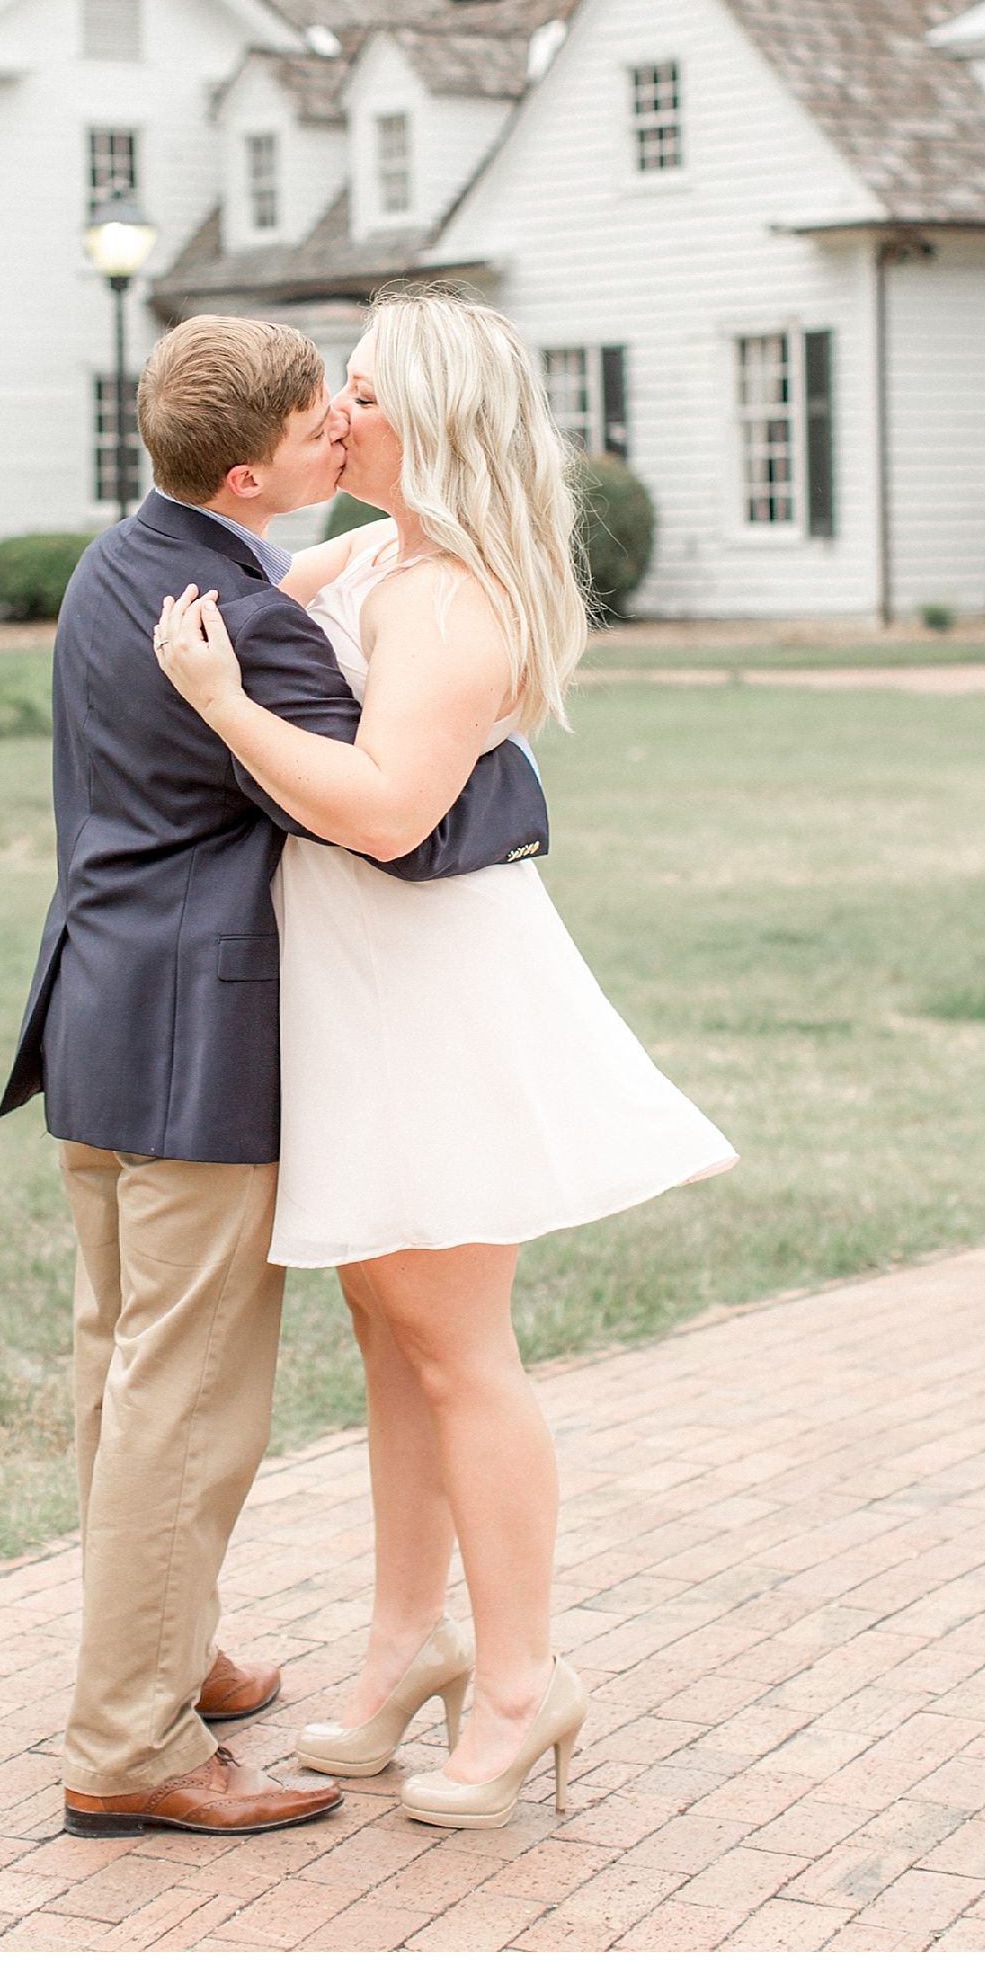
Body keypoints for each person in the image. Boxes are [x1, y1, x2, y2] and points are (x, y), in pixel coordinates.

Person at [153, 289, 735, 1831]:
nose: (334, 417)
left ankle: (525, 1677)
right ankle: (403, 1650)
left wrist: (219, 705)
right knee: (393, 1333)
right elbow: (256, 559)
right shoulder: (381, 551)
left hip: (431, 998)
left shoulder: (455, 596)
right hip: (361, 990)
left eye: (358, 391)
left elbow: (386, 808)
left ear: (432, 415)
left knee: (461, 1352)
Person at [0, 313, 550, 1840]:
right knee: (186, 1400)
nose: (343, 422)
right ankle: (131, 1738)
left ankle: (169, 1646)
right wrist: (516, 770)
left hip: (96, 1013)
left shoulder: (128, 560)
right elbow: (402, 820)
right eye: (325, 408)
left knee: (126, 1366)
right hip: (196, 1040)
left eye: (358, 398)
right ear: (255, 466)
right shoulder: (248, 627)